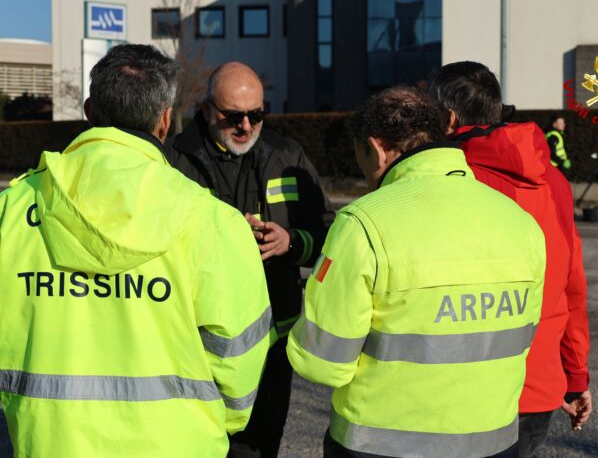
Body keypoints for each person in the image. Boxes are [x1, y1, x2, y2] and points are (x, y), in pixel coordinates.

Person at [0, 44, 272, 457]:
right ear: (165, 119)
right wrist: (221, 419)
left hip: (48, 441)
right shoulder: (215, 222)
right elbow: (240, 357)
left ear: (90, 111)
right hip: (180, 443)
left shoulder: (13, 209)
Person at [287, 86, 546, 458]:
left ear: (376, 149)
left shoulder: (364, 223)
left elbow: (323, 362)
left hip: (379, 447)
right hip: (493, 442)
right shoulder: (520, 223)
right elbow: (521, 336)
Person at [165, 61, 334, 458]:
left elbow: (328, 231)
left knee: (261, 445)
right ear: (207, 110)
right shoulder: (174, 161)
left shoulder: (287, 155)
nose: (246, 126)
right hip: (195, 341)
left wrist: (291, 242)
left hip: (270, 340)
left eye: (256, 115)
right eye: (233, 116)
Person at [429, 61, 592, 458]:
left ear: (448, 119)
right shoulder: (552, 179)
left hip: (463, 389)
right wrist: (574, 375)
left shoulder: (446, 179)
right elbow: (571, 285)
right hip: (537, 386)